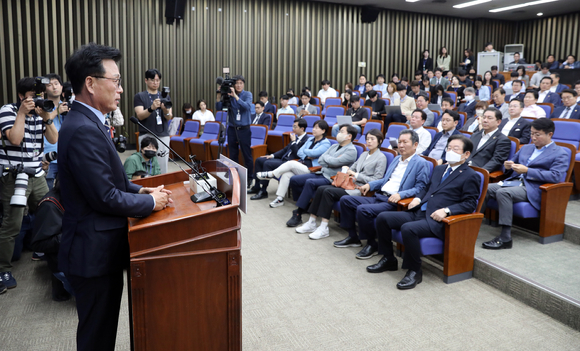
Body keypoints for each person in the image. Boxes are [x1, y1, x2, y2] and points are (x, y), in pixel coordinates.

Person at [59, 43, 171, 351]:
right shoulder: (83, 128)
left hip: (99, 248)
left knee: (102, 332)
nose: (120, 90)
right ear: (91, 83)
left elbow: (112, 179)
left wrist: (141, 189)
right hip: (91, 254)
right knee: (97, 338)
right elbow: (105, 196)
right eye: (116, 81)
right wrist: (151, 203)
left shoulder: (90, 120)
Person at [368, 135, 480, 289]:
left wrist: (447, 211)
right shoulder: (440, 168)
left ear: (466, 154)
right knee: (383, 218)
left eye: (455, 149)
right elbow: (427, 188)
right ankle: (389, 259)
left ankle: (414, 271)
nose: (450, 151)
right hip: (420, 211)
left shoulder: (470, 175)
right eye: (448, 148)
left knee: (408, 228)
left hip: (438, 219)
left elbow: (469, 203)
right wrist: (418, 199)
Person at [0, 76, 59, 295]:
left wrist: (47, 118)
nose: (37, 101)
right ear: (20, 97)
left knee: (51, 211)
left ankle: (47, 253)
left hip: (37, 175)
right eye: (33, 97)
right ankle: (2, 269)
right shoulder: (8, 110)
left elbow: (54, 140)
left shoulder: (40, 113)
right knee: (12, 224)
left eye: (39, 97)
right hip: (14, 177)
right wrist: (22, 114)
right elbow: (14, 139)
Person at [335, 129, 430, 257]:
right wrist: (370, 184)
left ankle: (372, 244)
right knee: (346, 200)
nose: (401, 145)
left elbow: (421, 187)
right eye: (399, 142)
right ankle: (353, 237)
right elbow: (385, 180)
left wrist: (401, 195)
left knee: (363, 209)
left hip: (393, 201)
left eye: (405, 142)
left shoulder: (421, 163)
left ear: (415, 145)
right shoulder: (397, 159)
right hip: (380, 195)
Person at [481, 118, 568, 250]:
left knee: (503, 192)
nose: (533, 137)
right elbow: (511, 163)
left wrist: (527, 171)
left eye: (537, 134)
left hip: (534, 187)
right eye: (532, 133)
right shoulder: (526, 148)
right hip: (514, 182)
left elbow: (555, 176)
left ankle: (505, 238)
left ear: (549, 134)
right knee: (485, 188)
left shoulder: (560, 153)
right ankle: (472, 224)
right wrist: (507, 165)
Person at [296, 129, 387, 240]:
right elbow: (352, 168)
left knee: (328, 191)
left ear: (380, 141)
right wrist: (350, 171)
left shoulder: (381, 157)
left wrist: (356, 175)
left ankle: (324, 227)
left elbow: (376, 180)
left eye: (372, 139)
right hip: (349, 184)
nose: (369, 141)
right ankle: (312, 222)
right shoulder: (364, 154)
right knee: (321, 189)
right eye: (367, 139)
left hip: (360, 188)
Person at [285, 124, 358, 227]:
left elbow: (334, 162)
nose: (338, 134)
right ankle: (305, 205)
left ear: (349, 136)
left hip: (332, 178)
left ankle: (298, 213)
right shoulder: (334, 146)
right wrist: (330, 160)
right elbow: (320, 159)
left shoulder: (351, 150)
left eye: (341, 132)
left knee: (310, 182)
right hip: (322, 173)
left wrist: (328, 159)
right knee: (294, 180)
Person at [257, 120, 331, 208]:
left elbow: (313, 153)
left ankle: (272, 174)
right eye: (313, 127)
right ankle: (280, 199)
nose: (313, 130)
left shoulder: (326, 143)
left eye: (316, 128)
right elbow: (299, 152)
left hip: (313, 169)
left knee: (291, 163)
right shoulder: (311, 139)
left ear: (323, 131)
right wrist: (307, 155)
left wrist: (307, 152)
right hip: (302, 165)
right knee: (286, 174)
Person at [29, 178, 73, 301]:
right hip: (63, 262)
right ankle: (61, 283)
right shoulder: (49, 206)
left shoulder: (72, 196)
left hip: (73, 254)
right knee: (96, 300)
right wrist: (74, 234)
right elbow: (39, 244)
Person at [248, 118, 309, 199]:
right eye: (293, 126)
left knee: (267, 163)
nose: (293, 129)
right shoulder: (296, 137)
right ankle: (256, 187)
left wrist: (294, 142)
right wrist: (272, 155)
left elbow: (298, 154)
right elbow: (284, 150)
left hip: (291, 163)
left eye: (295, 127)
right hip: (283, 159)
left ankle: (263, 191)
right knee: (259, 160)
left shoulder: (307, 140)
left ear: (302, 128)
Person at [133, 68, 173, 174]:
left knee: (162, 166)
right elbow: (140, 116)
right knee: (145, 165)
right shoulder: (140, 96)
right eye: (152, 80)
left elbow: (169, 117)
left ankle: (162, 187)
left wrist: (165, 111)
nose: (156, 83)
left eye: (158, 80)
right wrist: (151, 108)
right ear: (146, 80)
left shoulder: (165, 96)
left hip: (163, 135)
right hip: (147, 135)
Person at [43, 73, 69, 190]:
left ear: (61, 87)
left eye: (56, 84)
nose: (54, 87)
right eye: (49, 85)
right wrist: (56, 112)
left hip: (65, 158)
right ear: (44, 89)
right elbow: (43, 121)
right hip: (47, 158)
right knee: (45, 195)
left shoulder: (67, 106)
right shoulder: (41, 107)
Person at [226, 75, 254, 183]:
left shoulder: (247, 94)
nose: (238, 85)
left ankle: (249, 179)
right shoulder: (229, 95)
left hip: (244, 129)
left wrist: (235, 97)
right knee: (232, 155)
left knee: (246, 155)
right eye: (236, 83)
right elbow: (219, 107)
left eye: (240, 83)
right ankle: (235, 179)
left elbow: (247, 107)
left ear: (243, 84)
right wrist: (220, 95)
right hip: (232, 129)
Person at [467, 108, 511, 173]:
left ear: (498, 122)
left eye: (489, 118)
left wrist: (481, 172)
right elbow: (466, 153)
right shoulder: (475, 135)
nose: (485, 120)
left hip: (479, 171)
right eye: (484, 117)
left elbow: (496, 161)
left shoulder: (503, 140)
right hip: (465, 168)